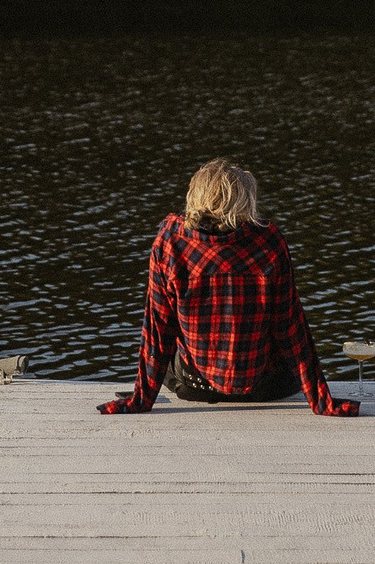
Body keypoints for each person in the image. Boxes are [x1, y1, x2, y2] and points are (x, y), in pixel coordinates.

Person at [98, 158, 358, 417]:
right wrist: (321, 401)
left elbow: (157, 330)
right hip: (264, 388)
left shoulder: (171, 242)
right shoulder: (268, 243)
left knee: (170, 342)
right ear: (244, 203)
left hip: (195, 386)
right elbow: (291, 329)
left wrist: (140, 400)